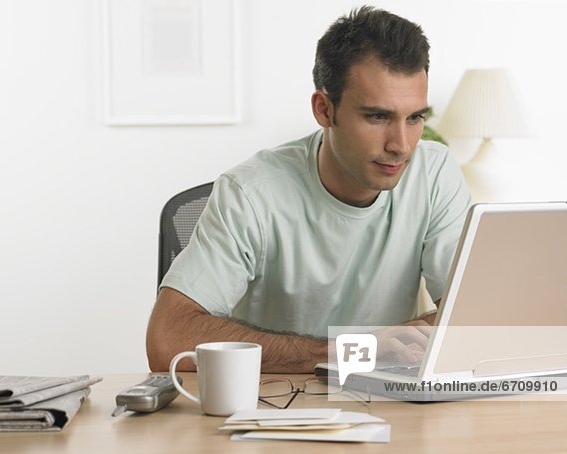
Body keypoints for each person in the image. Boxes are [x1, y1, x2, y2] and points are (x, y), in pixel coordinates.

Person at [146, 6, 470, 373]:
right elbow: (166, 340)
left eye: (414, 118)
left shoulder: (435, 172)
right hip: (278, 408)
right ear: (324, 109)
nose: (402, 145)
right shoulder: (250, 193)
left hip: (393, 402)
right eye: (378, 116)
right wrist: (355, 351)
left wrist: (405, 340)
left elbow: (478, 319)